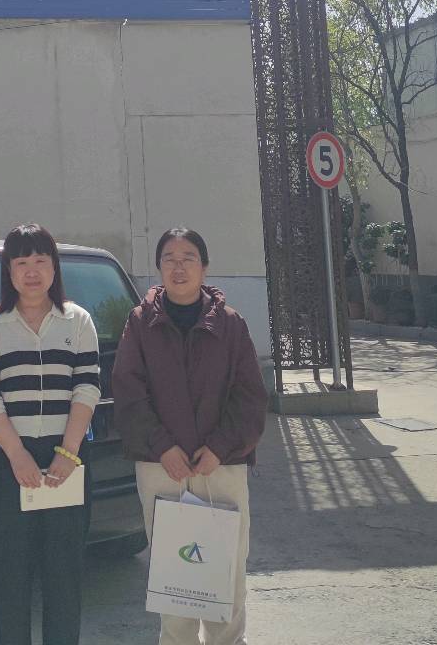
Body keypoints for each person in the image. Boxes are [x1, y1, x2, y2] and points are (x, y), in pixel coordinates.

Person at [112, 227, 269, 645]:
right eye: (169, 258)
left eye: (188, 258)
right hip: (162, 468)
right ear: (158, 267)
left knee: (226, 576)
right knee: (174, 581)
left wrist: (219, 448)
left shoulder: (230, 324)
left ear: (205, 267)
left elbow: (250, 397)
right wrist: (162, 446)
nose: (178, 267)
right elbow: (128, 392)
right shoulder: (141, 323)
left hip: (221, 468)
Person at [0, 224, 101, 645]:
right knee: (11, 575)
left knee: (65, 575)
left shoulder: (78, 320)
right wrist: (17, 454)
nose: (31, 271)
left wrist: (68, 452)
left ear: (54, 267)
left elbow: (87, 387)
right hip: (9, 460)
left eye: (41, 260)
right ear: (8, 270)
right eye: (21, 262)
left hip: (66, 460)